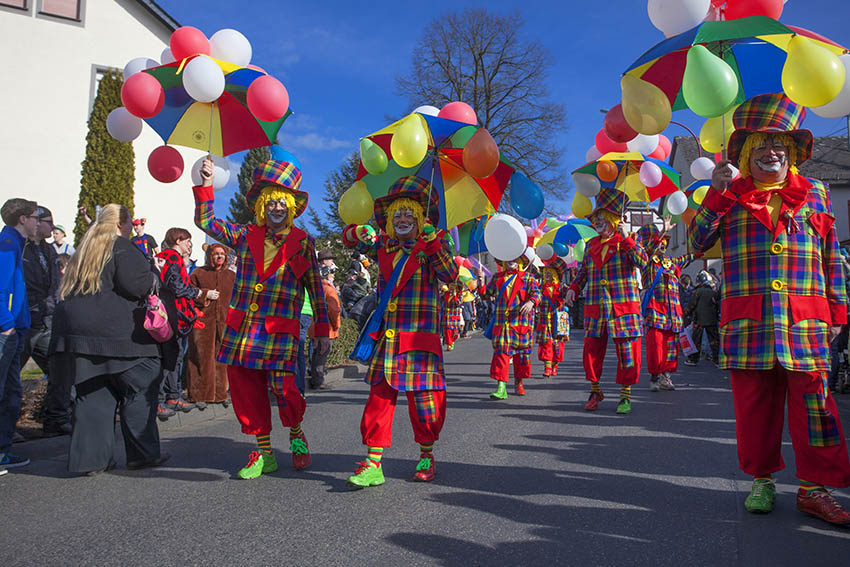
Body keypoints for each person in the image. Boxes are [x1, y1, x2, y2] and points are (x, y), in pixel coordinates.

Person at [689, 93, 850, 525]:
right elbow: (697, 245)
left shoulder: (815, 192)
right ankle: (761, 479)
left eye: (779, 144)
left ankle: (814, 489)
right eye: (759, 145)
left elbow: (831, 257)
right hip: (749, 321)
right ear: (744, 153)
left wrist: (839, 312)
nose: (771, 152)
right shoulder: (730, 194)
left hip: (806, 319)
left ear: (793, 151)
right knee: (755, 409)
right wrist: (717, 196)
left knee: (816, 407)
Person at [194, 157, 331, 480]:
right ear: (262, 206)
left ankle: (296, 433)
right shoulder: (244, 235)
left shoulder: (303, 243)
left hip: (280, 329)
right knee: (246, 390)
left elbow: (315, 288)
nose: (277, 208)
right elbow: (206, 220)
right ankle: (264, 451)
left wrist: (321, 329)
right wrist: (205, 184)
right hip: (245, 330)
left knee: (286, 390)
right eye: (272, 202)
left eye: (283, 202)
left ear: (292, 207)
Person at [342, 176, 457, 487]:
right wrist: (355, 230)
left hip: (419, 339)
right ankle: (373, 462)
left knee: (426, 404)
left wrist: (433, 242)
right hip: (389, 339)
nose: (403, 219)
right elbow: (349, 238)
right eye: (397, 214)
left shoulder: (435, 243)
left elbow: (450, 273)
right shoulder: (384, 244)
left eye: (409, 213)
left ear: (420, 219)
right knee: (378, 400)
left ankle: (426, 455)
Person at [50, 204, 167, 474]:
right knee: (141, 385)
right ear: (121, 223)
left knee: (93, 394)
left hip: (76, 333)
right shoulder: (122, 247)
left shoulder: (84, 249)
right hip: (119, 333)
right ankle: (142, 454)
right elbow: (137, 285)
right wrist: (152, 273)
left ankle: (90, 460)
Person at [565, 187, 648, 415]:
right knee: (591, 350)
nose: (598, 222)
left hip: (623, 306)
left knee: (627, 352)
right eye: (596, 218)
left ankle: (625, 394)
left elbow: (643, 262)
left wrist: (628, 238)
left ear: (613, 219)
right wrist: (573, 288)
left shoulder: (629, 240)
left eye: (602, 218)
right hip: (596, 306)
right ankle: (595, 390)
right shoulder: (592, 244)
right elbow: (583, 272)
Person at [22, 207, 69, 435]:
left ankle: (56, 420)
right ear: (35, 223)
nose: (53, 226)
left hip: (47, 319)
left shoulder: (48, 250)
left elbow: (53, 285)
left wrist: (53, 308)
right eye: (49, 221)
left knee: (59, 368)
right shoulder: (20, 248)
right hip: (24, 321)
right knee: (10, 374)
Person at [0, 198, 38, 471]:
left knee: (11, 394)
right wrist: (6, 324)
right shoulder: (7, 245)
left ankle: (3, 452)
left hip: (15, 330)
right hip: (7, 332)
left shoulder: (16, 243)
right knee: (4, 393)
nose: (38, 222)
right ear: (22, 219)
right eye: (35, 217)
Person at [637, 219, 695, 392]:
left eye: (664, 242)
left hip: (673, 312)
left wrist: (702, 246)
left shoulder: (672, 262)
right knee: (655, 345)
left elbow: (689, 257)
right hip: (655, 310)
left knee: (671, 347)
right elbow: (647, 250)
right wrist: (662, 230)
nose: (662, 245)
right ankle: (654, 376)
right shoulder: (646, 261)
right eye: (659, 242)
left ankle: (666, 376)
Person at [155, 228, 199, 418]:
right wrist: (195, 293)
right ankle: (158, 401)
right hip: (173, 315)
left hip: (176, 315)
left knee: (175, 356)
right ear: (178, 240)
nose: (189, 244)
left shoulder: (169, 257)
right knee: (168, 357)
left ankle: (173, 396)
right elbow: (176, 286)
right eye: (187, 240)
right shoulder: (172, 258)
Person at [186, 243, 236, 407]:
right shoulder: (198, 273)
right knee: (201, 357)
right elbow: (188, 291)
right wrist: (205, 294)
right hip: (202, 321)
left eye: (222, 254)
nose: (219, 257)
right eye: (215, 254)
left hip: (224, 321)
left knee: (221, 358)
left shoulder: (231, 276)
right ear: (209, 256)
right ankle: (200, 395)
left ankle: (220, 394)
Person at [487, 249, 541, 399]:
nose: (511, 260)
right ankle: (501, 387)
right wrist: (480, 280)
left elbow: (537, 294)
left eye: (515, 258)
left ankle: (519, 382)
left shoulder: (529, 278)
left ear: (520, 262)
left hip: (521, 322)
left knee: (521, 356)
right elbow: (486, 293)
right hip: (502, 323)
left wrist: (531, 302)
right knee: (501, 354)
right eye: (508, 257)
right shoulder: (497, 277)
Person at [308, 255, 341, 390]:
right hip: (327, 328)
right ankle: (318, 380)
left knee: (316, 354)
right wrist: (336, 325)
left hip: (313, 326)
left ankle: (315, 379)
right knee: (322, 354)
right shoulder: (329, 289)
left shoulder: (314, 287)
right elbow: (333, 310)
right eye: (332, 272)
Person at [536, 255, 569, 379]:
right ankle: (547, 368)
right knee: (546, 344)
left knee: (559, 344)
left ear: (555, 274)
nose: (547, 275)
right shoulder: (540, 289)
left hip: (559, 319)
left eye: (549, 272)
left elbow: (571, 292)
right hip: (545, 319)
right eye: (545, 273)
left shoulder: (562, 288)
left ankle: (555, 366)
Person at [683, 271, 720, 367]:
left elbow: (691, 305)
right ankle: (717, 360)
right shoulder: (713, 292)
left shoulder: (697, 292)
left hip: (698, 320)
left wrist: (685, 314)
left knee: (696, 341)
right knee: (714, 341)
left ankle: (693, 360)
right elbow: (717, 305)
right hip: (712, 319)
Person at [441, 281, 463, 351]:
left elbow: (458, 304)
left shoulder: (459, 294)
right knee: (447, 332)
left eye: (453, 287)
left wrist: (455, 296)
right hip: (447, 316)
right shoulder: (446, 294)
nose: (451, 288)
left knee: (455, 333)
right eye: (450, 287)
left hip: (454, 316)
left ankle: (452, 341)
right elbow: (441, 300)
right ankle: (449, 344)